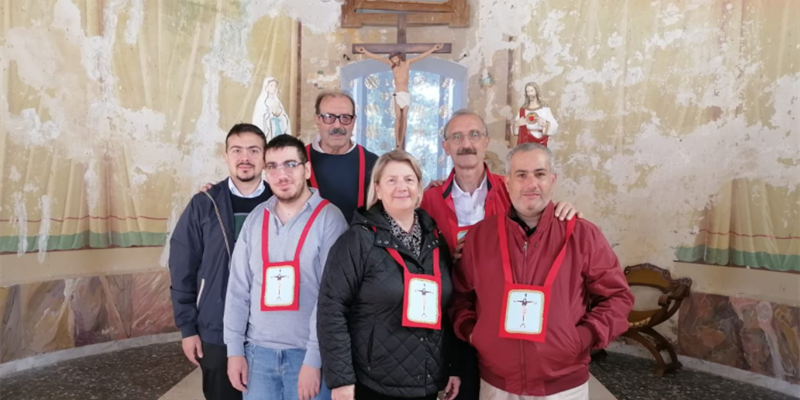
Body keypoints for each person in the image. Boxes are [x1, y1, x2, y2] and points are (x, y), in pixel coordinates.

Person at [451, 143, 634, 400]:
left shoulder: (582, 234)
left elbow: (617, 297)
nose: (531, 184)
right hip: (497, 383)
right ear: (506, 182)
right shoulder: (480, 236)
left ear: (552, 180)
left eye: (540, 174)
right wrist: (475, 333)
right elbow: (460, 296)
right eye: (521, 175)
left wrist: (582, 337)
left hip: (563, 385)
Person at [420, 110, 581, 400]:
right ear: (445, 146)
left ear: (486, 142)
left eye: (474, 135)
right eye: (456, 136)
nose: (465, 143)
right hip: (451, 312)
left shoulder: (511, 187)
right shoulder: (429, 198)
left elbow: (539, 210)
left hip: (503, 315)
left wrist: (563, 209)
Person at [318, 149, 462, 400]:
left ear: (419, 188)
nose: (401, 187)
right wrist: (341, 380)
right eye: (391, 180)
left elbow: (448, 307)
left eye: (409, 179)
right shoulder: (357, 240)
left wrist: (452, 365)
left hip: (427, 381)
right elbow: (332, 309)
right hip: (375, 383)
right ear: (378, 188)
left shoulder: (435, 239)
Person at [224, 135, 348, 400]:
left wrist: (314, 359)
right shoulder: (256, 218)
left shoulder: (330, 219)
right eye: (273, 166)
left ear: (306, 169)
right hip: (257, 355)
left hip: (307, 355)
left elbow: (333, 298)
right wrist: (234, 350)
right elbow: (237, 288)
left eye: (290, 164)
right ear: (265, 173)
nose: (282, 174)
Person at [169, 123, 273, 400]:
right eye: (236, 150)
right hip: (216, 329)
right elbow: (183, 269)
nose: (245, 157)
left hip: (271, 330)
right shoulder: (204, 203)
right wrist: (188, 329)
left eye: (254, 150)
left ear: (265, 157)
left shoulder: (281, 201)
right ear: (226, 156)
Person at [307, 91, 379, 223]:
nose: (337, 125)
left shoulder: (374, 164)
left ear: (354, 121)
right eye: (329, 117)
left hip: (359, 241)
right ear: (317, 119)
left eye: (345, 117)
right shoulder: (299, 161)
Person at [355, 44, 444, 149]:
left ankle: (401, 141)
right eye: (392, 59)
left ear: (399, 57)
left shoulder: (407, 64)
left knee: (404, 117)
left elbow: (420, 57)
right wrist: (364, 51)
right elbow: (378, 58)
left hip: (405, 94)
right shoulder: (392, 66)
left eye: (394, 58)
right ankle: (397, 142)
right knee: (398, 118)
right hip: (397, 94)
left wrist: (433, 49)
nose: (393, 61)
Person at [512, 82, 559, 147]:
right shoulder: (522, 110)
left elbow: (555, 126)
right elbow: (515, 128)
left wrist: (545, 124)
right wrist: (517, 124)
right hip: (525, 141)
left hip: (539, 140)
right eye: (527, 91)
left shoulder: (544, 109)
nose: (529, 94)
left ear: (536, 91)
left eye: (531, 91)